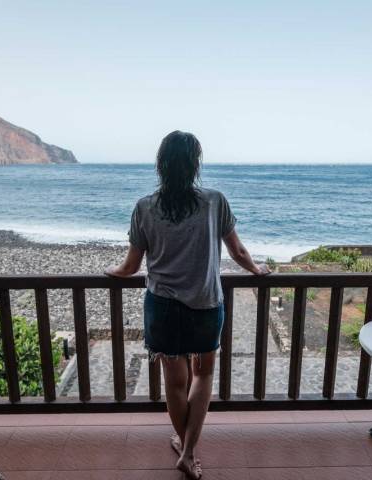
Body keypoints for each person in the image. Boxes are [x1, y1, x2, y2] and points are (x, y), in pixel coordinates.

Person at [105, 130, 269, 479]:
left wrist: (111, 271)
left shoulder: (145, 207)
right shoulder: (214, 201)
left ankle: (186, 448)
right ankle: (189, 450)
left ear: (161, 165)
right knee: (204, 373)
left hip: (162, 306)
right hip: (206, 304)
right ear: (195, 165)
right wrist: (257, 269)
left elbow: (131, 266)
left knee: (174, 382)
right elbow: (238, 251)